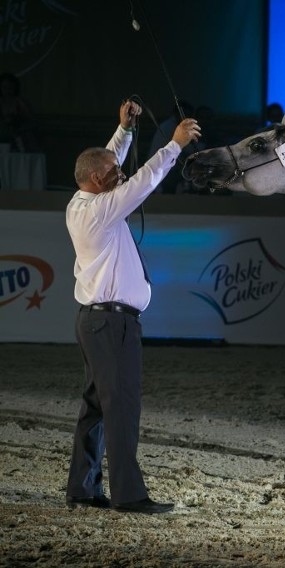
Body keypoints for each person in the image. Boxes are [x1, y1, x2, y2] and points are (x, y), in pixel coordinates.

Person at [65, 99, 201, 514]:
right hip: (111, 325)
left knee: (96, 408)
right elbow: (142, 181)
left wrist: (122, 131)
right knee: (121, 406)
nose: (119, 175)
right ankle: (129, 495)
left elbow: (108, 163)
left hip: (96, 323)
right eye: (112, 174)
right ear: (96, 179)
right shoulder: (102, 211)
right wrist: (174, 145)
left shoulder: (84, 200)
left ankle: (83, 488)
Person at [147, 99, 199, 193]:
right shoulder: (170, 127)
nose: (188, 119)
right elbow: (183, 151)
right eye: (186, 115)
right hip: (161, 171)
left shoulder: (171, 126)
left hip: (163, 167)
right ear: (178, 113)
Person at [0, 72, 39, 152]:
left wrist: (19, 128)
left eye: (10, 87)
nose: (7, 90)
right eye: (4, 87)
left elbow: (33, 122)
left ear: (15, 87)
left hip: (20, 139)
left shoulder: (20, 103)